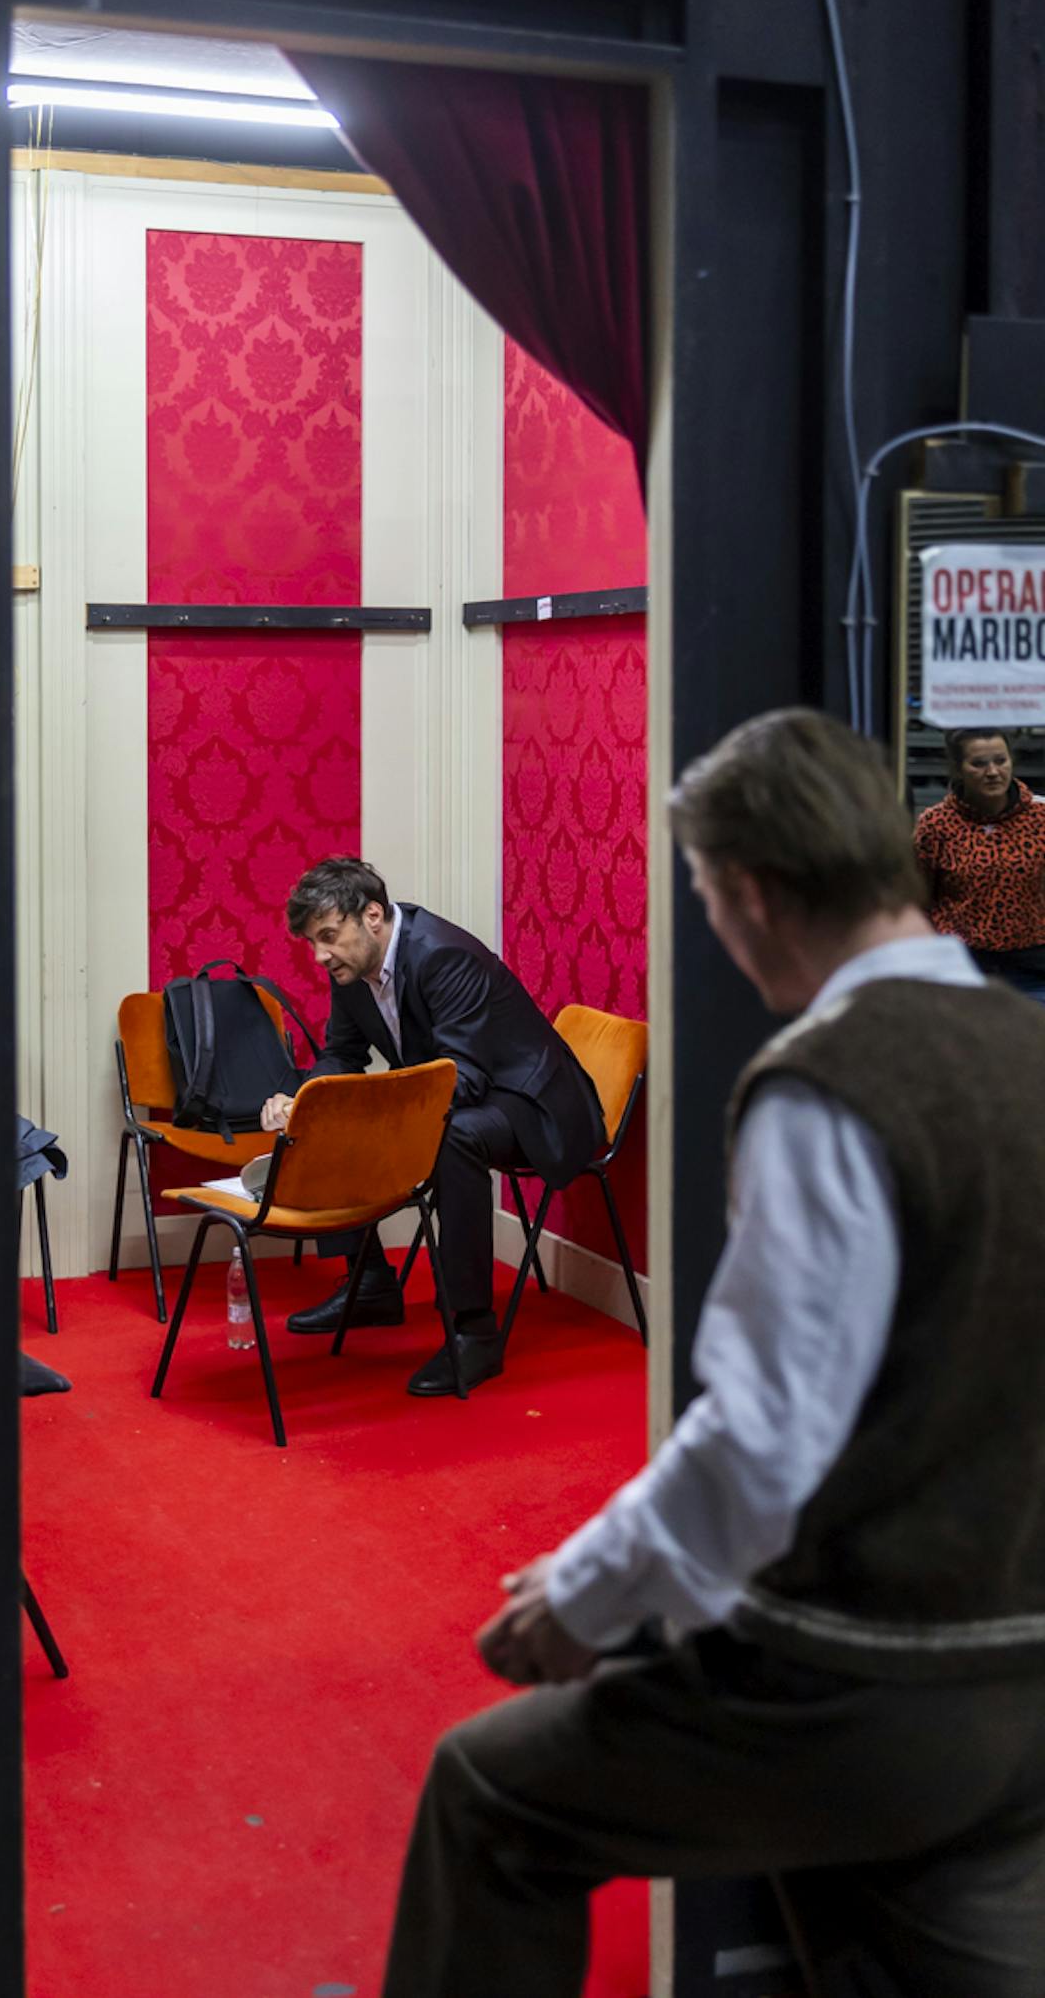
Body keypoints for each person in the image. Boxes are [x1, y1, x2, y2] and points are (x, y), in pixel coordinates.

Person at [381, 709, 1045, 1997]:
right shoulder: (1027, 1047)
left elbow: (760, 1439)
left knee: (487, 1796)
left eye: (699, 895)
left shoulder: (825, 1086)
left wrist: (582, 1600)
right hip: (1016, 1678)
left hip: (863, 1685)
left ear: (748, 891)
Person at [260, 857, 604, 1397]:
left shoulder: (443, 955)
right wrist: (306, 1101)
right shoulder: (351, 969)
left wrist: (376, 1110)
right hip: (465, 1092)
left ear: (372, 915)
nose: (320, 955)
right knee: (330, 1112)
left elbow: (465, 1075)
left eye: (328, 936)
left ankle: (474, 1333)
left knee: (453, 1136)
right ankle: (370, 1283)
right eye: (312, 942)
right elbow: (342, 1054)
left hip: (533, 1101)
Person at [913, 726, 1045, 1003]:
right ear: (958, 769)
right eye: (979, 763)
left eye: (1000, 760)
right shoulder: (935, 824)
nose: (993, 772)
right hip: (961, 967)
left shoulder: (1039, 817)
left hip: (1033, 967)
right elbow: (918, 898)